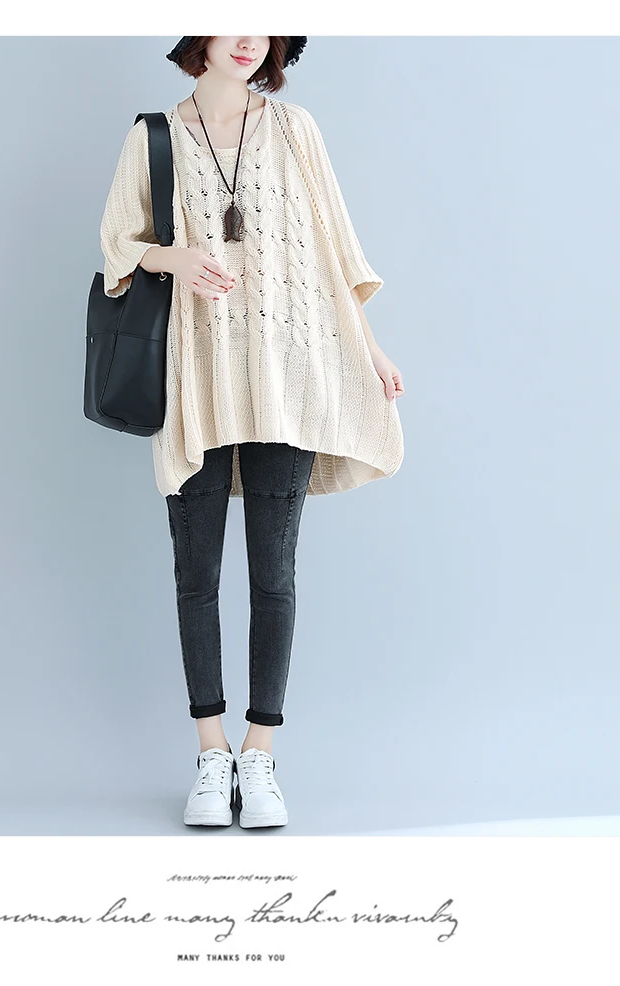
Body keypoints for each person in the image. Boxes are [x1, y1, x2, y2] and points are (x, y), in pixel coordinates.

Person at [99, 36, 405, 829]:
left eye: (265, 23)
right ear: (198, 33)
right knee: (195, 572)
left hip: (287, 378)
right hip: (195, 380)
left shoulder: (295, 129)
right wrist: (173, 258)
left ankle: (260, 753)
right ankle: (211, 754)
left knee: (274, 572)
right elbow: (118, 245)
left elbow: (335, 253)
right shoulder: (154, 136)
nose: (248, 37)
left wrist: (370, 350)